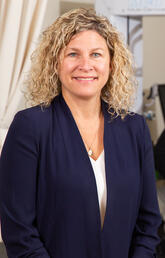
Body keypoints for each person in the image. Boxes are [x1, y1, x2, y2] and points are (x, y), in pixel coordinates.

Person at [0, 8, 161, 258]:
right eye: (72, 54)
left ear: (111, 62)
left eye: (96, 54)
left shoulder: (134, 128)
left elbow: (149, 223)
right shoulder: (30, 127)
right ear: (56, 63)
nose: (85, 65)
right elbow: (19, 231)